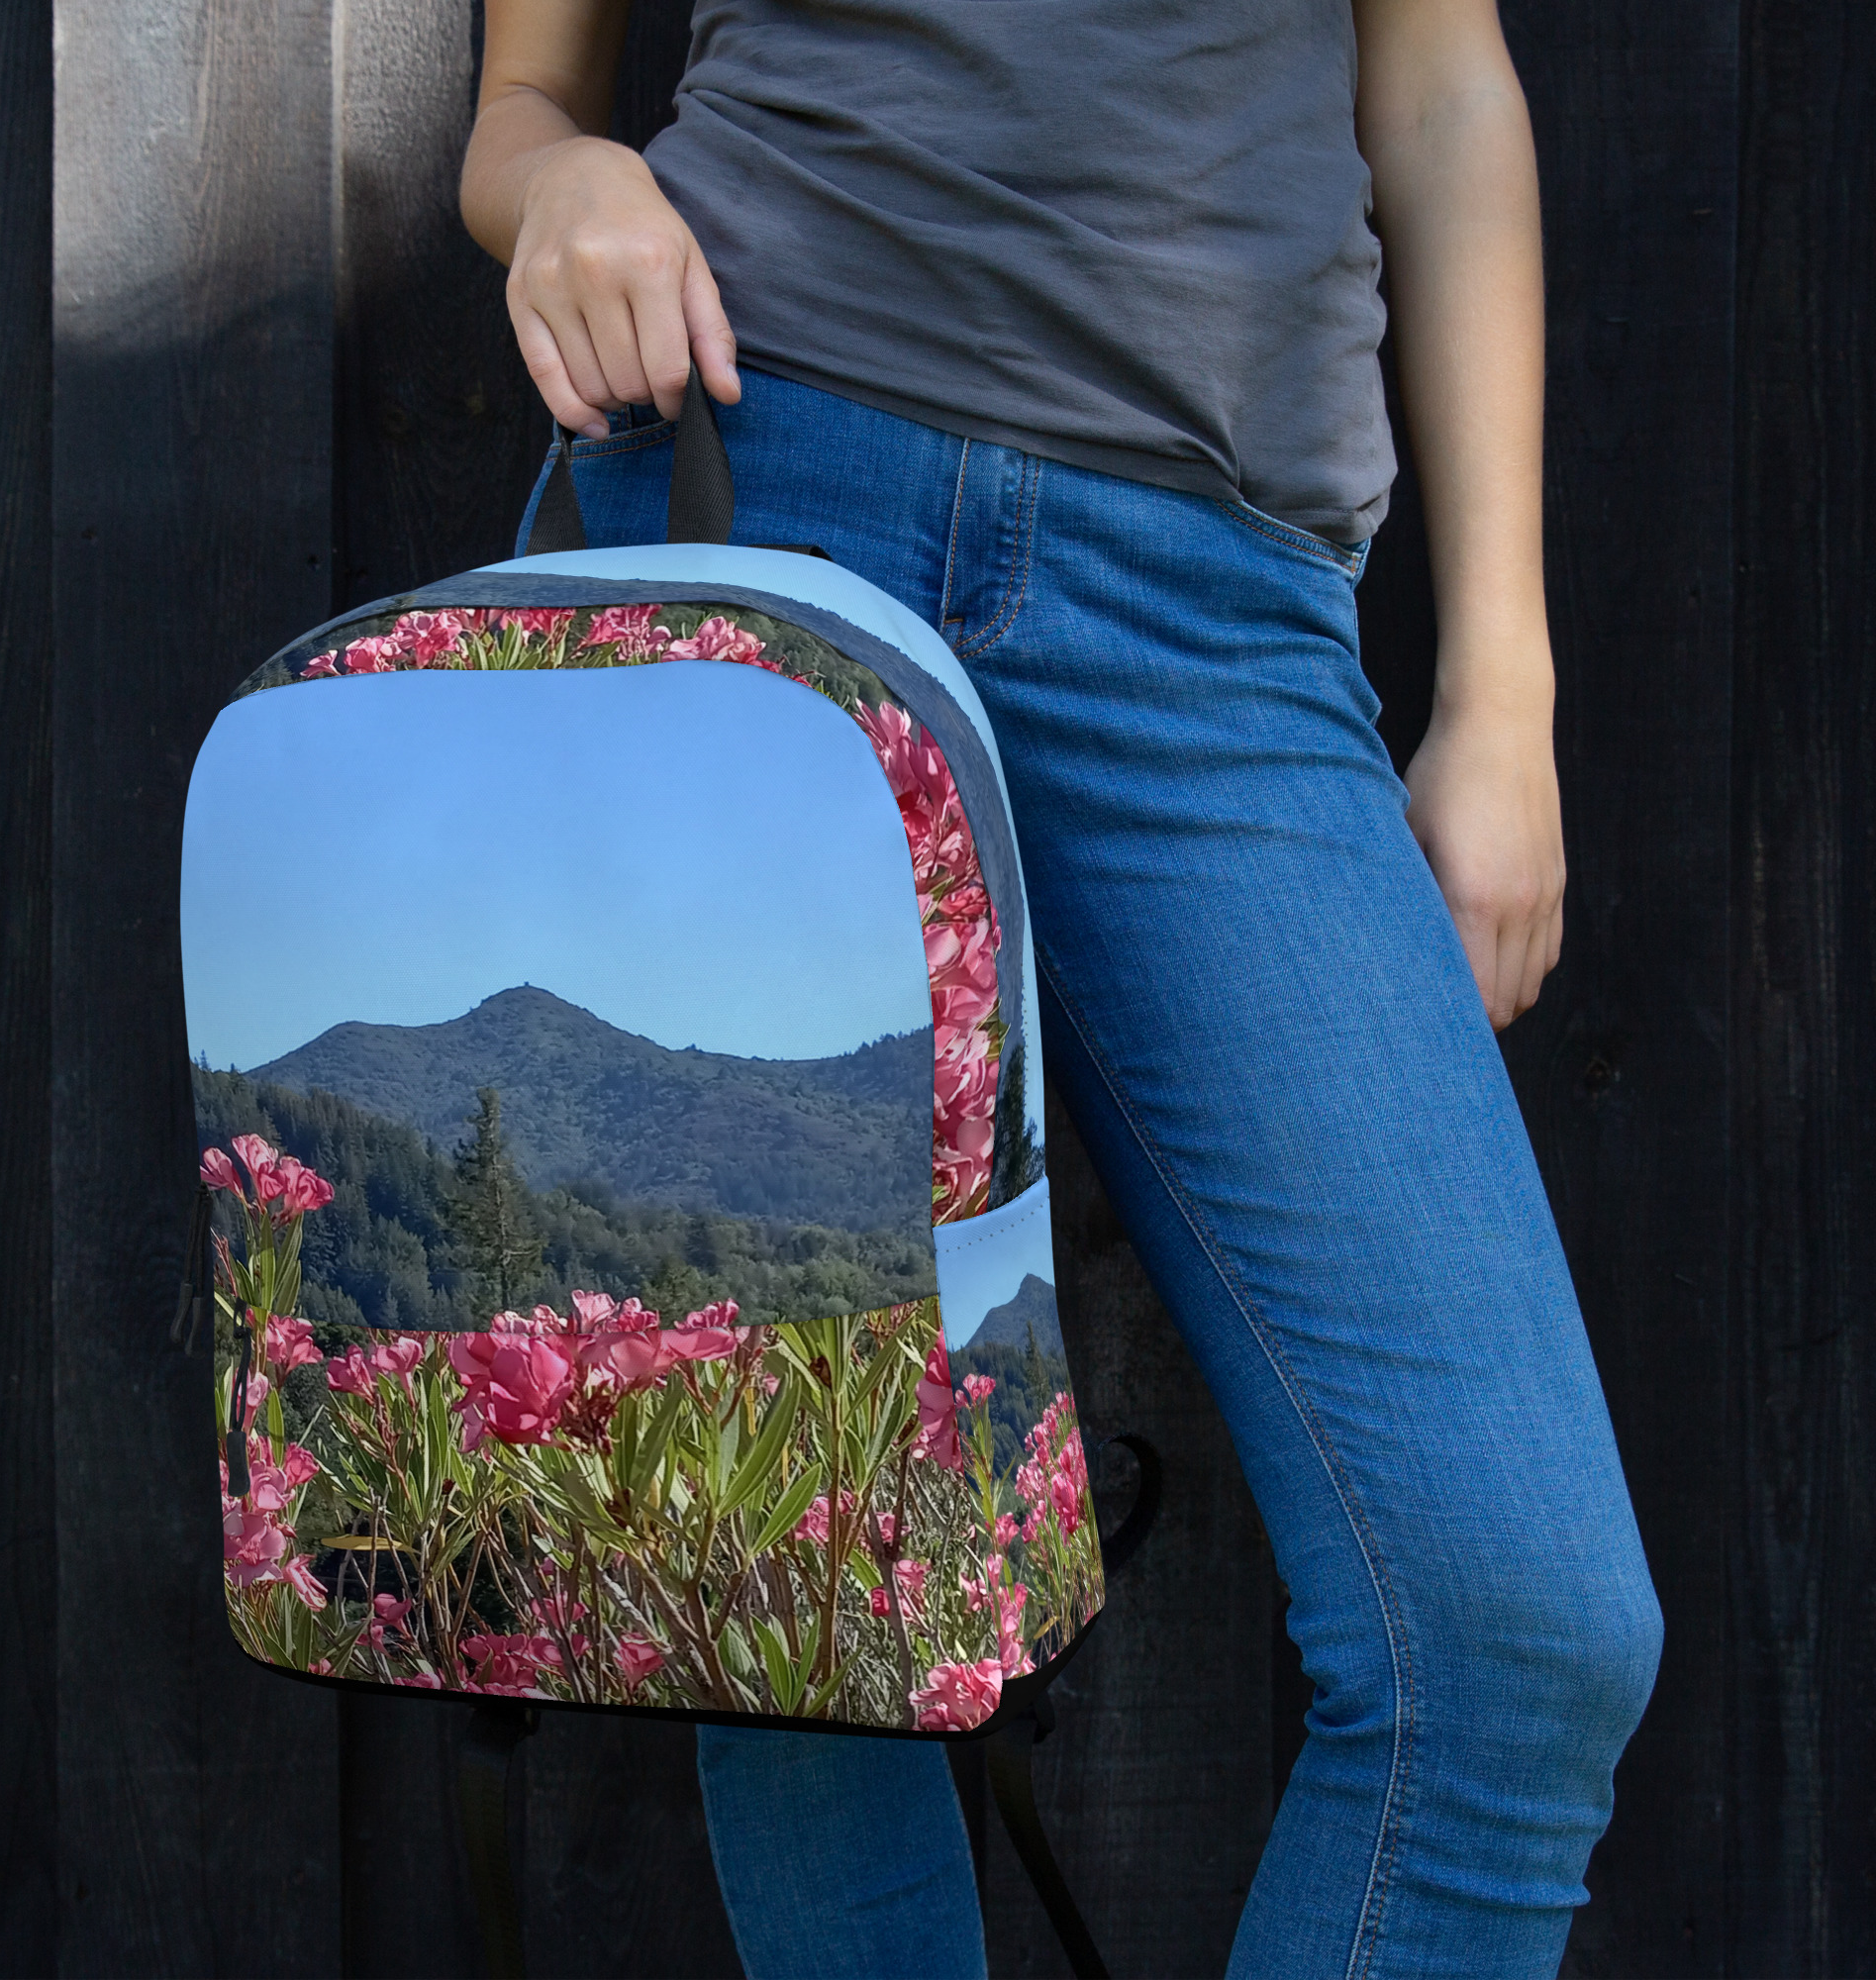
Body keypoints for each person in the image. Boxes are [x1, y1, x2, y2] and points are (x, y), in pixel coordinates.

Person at [459, 1, 1664, 1973]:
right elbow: (522, 110)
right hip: (765, 491)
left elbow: (1444, 81)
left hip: (1221, 631)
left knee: (1516, 1632)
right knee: (797, 1591)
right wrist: (563, 184)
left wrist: (1504, 694)